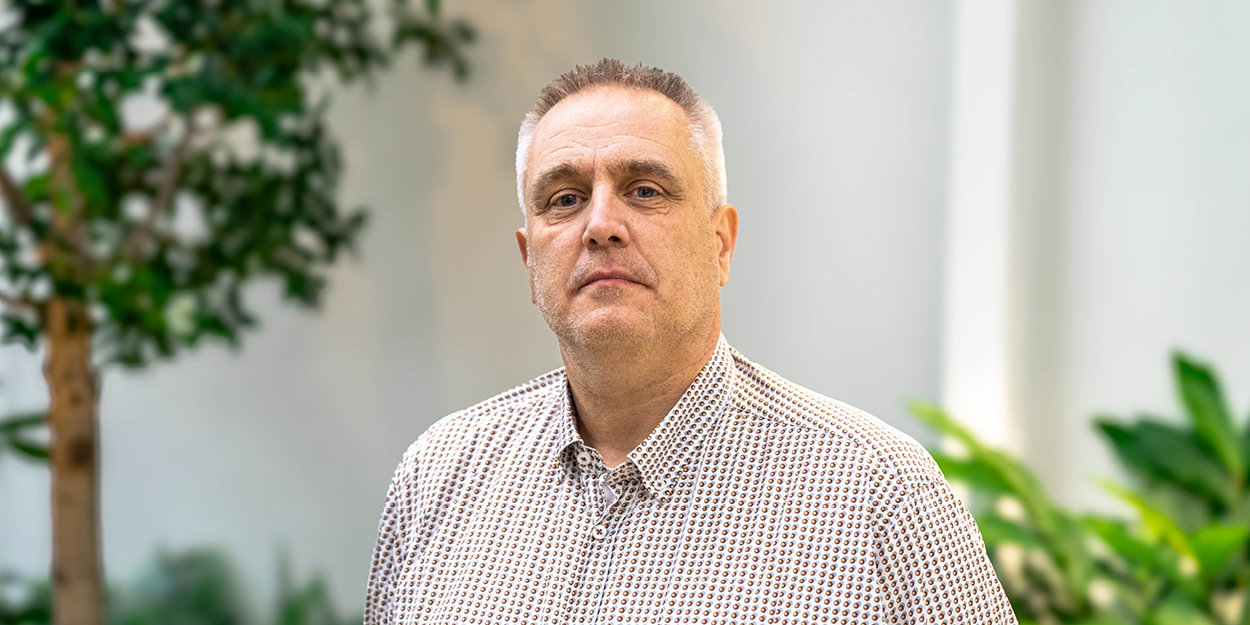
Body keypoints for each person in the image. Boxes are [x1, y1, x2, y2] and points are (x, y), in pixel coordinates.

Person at [364, 58, 1017, 624]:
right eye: (564, 198)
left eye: (644, 190)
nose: (600, 224)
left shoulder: (879, 496)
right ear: (529, 258)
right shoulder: (438, 476)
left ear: (721, 243)